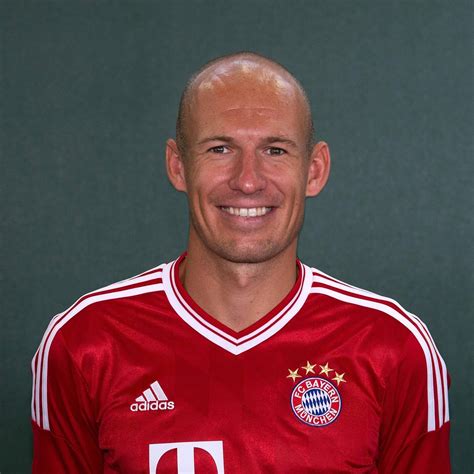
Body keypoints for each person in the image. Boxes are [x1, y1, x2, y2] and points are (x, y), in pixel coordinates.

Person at [31, 52, 451, 473]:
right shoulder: (85, 343)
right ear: (178, 166)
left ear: (314, 170)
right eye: (219, 148)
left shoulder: (394, 347)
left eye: (275, 150)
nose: (247, 180)